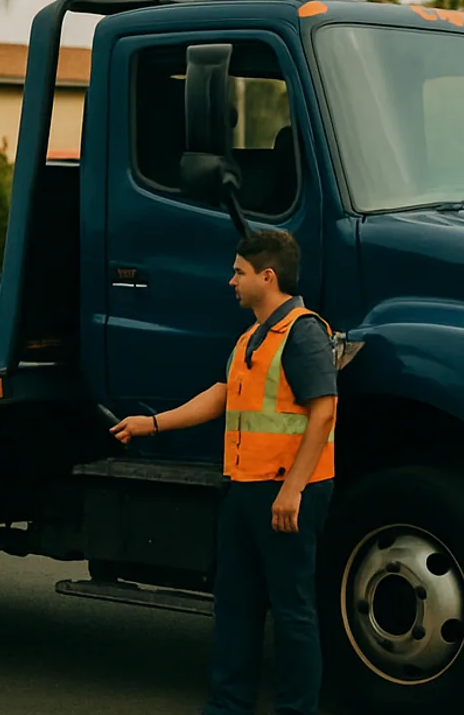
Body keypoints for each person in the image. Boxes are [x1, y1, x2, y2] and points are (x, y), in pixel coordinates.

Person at [111, 229, 338, 715]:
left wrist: (292, 491)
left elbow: (324, 412)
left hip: (284, 494)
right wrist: (151, 424)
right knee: (235, 609)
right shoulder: (251, 338)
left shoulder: (303, 332)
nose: (230, 280)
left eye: (239, 272)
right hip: (243, 490)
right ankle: (227, 706)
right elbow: (222, 396)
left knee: (294, 613)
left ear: (268, 276)